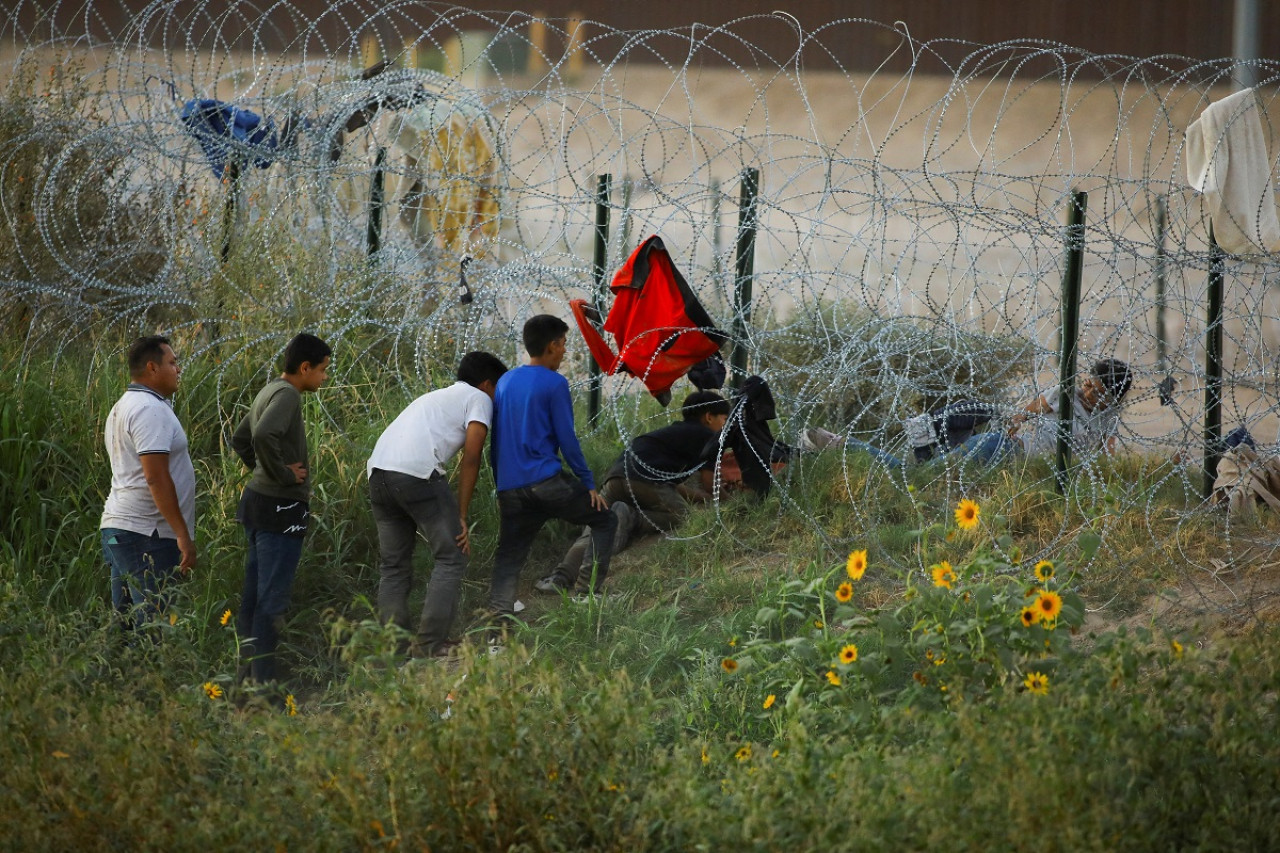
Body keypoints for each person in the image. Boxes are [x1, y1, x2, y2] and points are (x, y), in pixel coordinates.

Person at [366, 351, 508, 657]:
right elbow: (472, 458)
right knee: (451, 556)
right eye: (499, 390)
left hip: (377, 473)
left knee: (393, 567)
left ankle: (394, 650)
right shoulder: (479, 398)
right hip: (416, 474)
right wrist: (461, 516)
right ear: (487, 384)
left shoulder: (437, 397)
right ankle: (431, 644)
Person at [537, 390, 730, 592]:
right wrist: (728, 501)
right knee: (684, 517)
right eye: (724, 419)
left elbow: (672, 487)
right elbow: (711, 483)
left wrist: (702, 498)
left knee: (596, 527)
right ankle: (632, 517)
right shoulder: (709, 437)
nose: (725, 426)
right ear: (709, 417)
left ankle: (560, 577)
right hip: (646, 481)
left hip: (616, 477)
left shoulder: (673, 434)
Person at [489, 314, 617, 614]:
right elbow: (567, 440)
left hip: (511, 486)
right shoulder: (555, 383)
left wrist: (500, 486)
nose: (564, 352)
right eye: (563, 345)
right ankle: (586, 593)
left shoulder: (505, 381)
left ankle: (497, 628)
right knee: (604, 519)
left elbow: (497, 440)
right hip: (547, 483)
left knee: (509, 556)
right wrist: (588, 484)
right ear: (551, 345)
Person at [230, 333, 331, 684]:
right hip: (279, 507)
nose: (324, 377)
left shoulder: (268, 390)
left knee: (254, 598)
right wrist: (282, 474)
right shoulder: (288, 395)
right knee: (271, 602)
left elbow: (240, 439)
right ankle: (263, 690)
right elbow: (260, 437)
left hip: (258, 503)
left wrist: (263, 472)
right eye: (322, 370)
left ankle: (245, 680)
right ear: (304, 368)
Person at [100, 335, 197, 631]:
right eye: (172, 362)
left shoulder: (125, 405)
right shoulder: (149, 409)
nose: (178, 369)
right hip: (147, 534)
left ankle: (124, 676)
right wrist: (182, 534)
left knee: (127, 624)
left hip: (126, 529)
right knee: (153, 628)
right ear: (152, 368)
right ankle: (147, 677)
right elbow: (155, 476)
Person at [953, 358, 1133, 464]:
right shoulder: (1065, 394)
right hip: (1016, 450)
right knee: (952, 462)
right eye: (1088, 385)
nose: (1087, 393)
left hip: (1049, 468)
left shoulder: (1109, 420)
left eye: (1098, 393)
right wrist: (1014, 424)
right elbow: (1023, 414)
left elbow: (1106, 459)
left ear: (1112, 400)